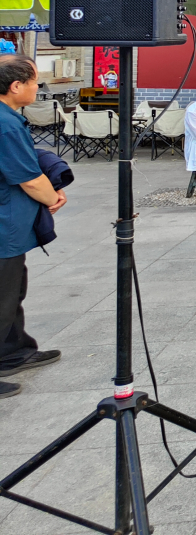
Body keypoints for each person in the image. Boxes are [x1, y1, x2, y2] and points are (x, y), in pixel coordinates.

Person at [0, 56, 65, 399]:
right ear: (16, 86)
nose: (37, 88)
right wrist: (51, 195)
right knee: (3, 295)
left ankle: (14, 351)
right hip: (4, 227)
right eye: (34, 82)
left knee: (14, 291)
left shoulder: (9, 118)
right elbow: (26, 177)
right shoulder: (6, 124)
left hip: (12, 225)